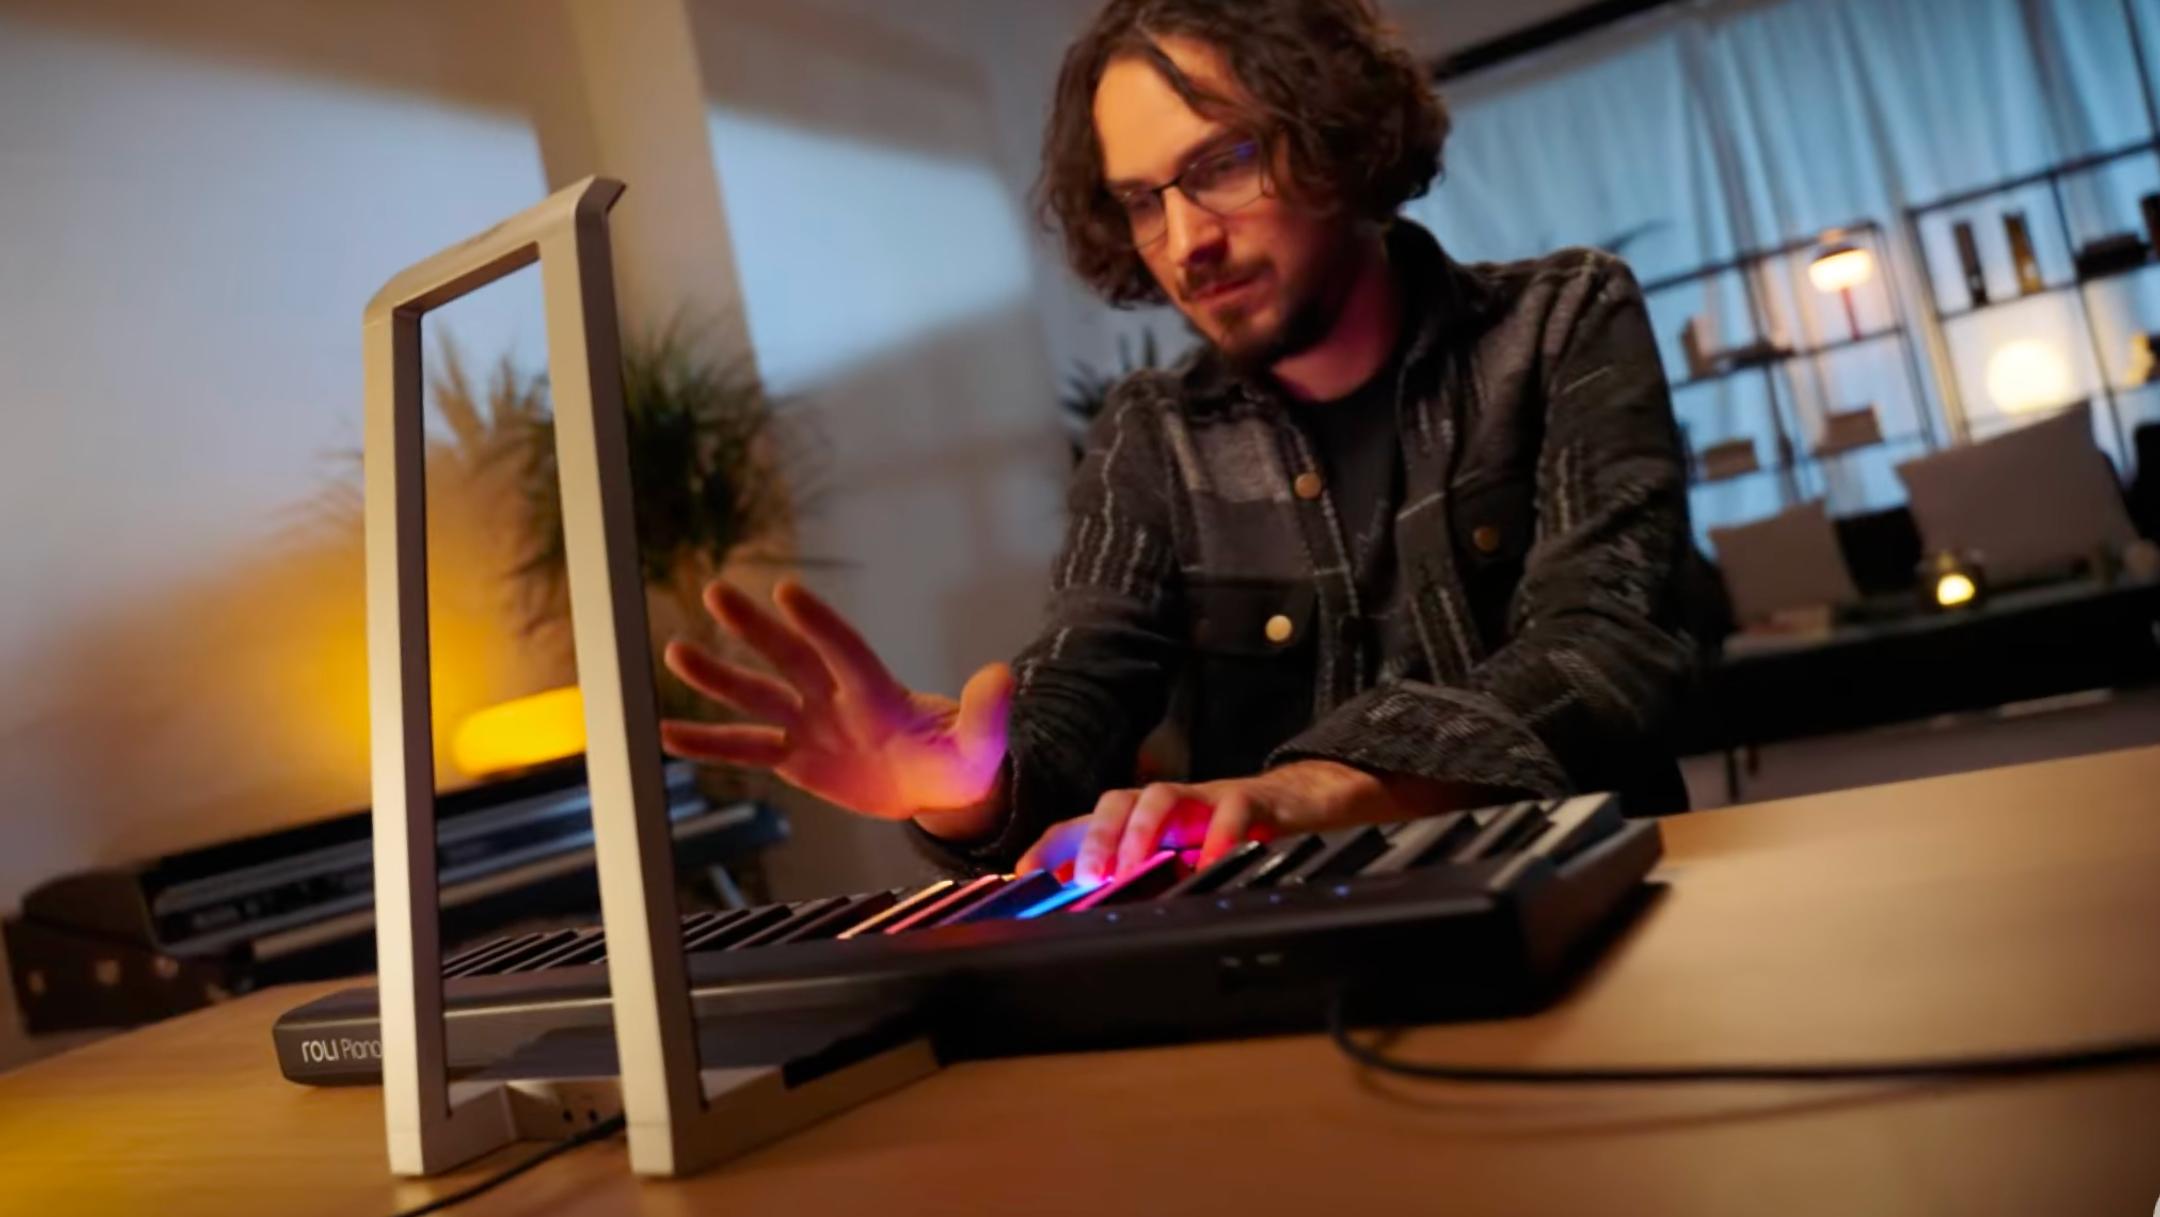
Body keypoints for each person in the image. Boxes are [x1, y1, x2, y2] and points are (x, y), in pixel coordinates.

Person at [659, 0, 1696, 889]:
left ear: (1337, 131)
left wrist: (1318, 787)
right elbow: (1083, 674)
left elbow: (1603, 647)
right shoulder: (1154, 432)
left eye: (1224, 163)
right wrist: (972, 788)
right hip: (1304, 961)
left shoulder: (1558, 321)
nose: (1186, 240)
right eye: (1142, 201)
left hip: (1599, 892)